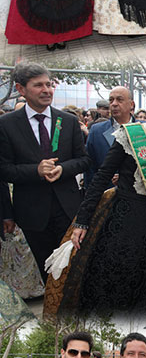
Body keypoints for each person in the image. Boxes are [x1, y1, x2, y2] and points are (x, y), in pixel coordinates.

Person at [58, 88, 146, 316]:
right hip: (124, 221)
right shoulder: (133, 135)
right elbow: (101, 177)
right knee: (117, 280)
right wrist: (82, 221)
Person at [0, 62, 89, 279]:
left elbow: (84, 160)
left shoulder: (67, 121)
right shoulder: (6, 125)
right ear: (21, 89)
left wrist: (62, 169)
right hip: (32, 212)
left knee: (74, 268)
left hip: (68, 209)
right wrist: (36, 171)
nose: (46, 90)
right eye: (38, 85)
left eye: (49, 84)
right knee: (48, 269)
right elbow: (3, 169)